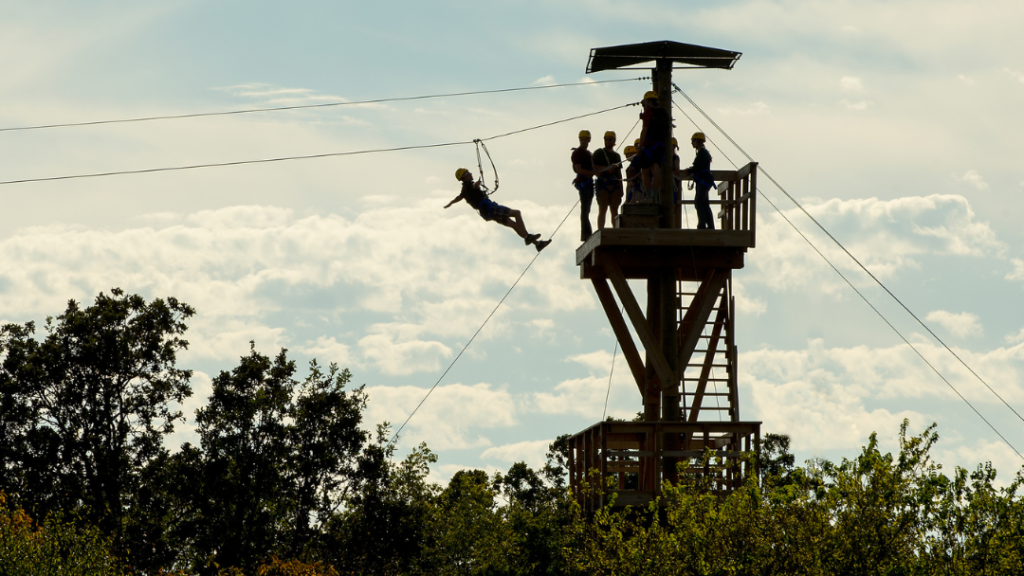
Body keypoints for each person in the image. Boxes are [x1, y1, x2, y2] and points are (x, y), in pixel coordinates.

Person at [445, 168, 551, 251]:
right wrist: (477, 184)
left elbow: (459, 197)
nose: (470, 173)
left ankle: (537, 244)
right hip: (490, 208)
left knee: (512, 223)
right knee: (516, 213)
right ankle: (528, 237)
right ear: (464, 176)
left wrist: (450, 203)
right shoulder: (468, 186)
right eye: (468, 172)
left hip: (487, 213)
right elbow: (473, 186)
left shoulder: (464, 190)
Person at [635, 91, 672, 193]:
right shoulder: (662, 112)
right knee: (656, 168)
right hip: (659, 145)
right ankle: (655, 194)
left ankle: (648, 195)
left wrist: (639, 146)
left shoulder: (648, 112)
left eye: (645, 102)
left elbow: (645, 130)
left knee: (645, 171)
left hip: (648, 145)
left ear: (648, 101)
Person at [571, 130, 600, 241]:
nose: (583, 141)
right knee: (585, 210)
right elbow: (579, 169)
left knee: (586, 210)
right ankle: (585, 233)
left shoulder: (589, 154)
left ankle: (586, 233)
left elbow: (594, 168)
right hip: (584, 183)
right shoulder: (577, 153)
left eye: (585, 139)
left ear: (589, 140)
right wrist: (594, 173)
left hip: (588, 183)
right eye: (582, 139)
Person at [593, 131, 623, 230]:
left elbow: (619, 173)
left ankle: (616, 229)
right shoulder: (599, 153)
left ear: (614, 141)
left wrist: (621, 188)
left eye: (610, 139)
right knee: (603, 209)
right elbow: (593, 167)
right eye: (606, 139)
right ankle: (600, 230)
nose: (608, 141)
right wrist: (607, 168)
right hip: (603, 184)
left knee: (614, 209)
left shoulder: (616, 156)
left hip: (614, 184)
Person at [685, 132, 715, 230]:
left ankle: (702, 225)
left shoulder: (703, 153)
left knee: (699, 202)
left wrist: (690, 170)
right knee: (704, 203)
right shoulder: (702, 153)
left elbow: (698, 166)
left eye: (693, 141)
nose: (692, 143)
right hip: (703, 180)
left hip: (703, 180)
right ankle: (710, 226)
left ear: (698, 141)